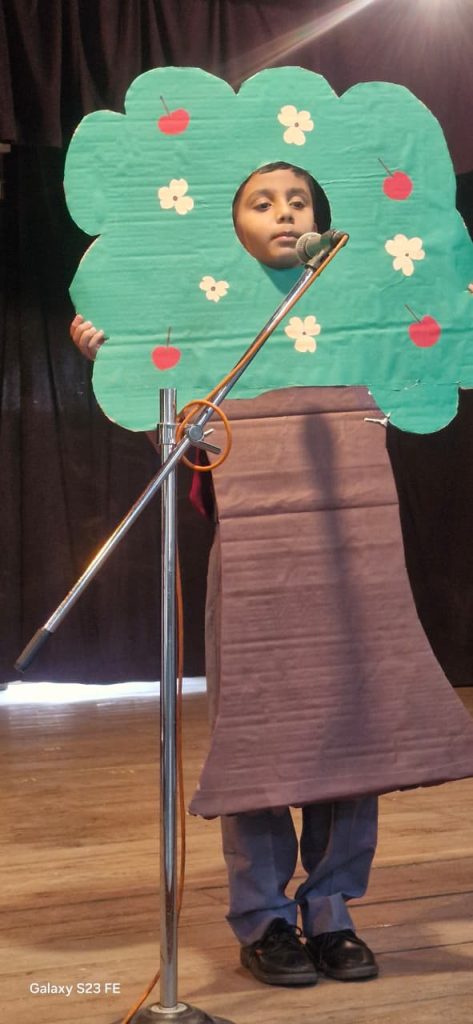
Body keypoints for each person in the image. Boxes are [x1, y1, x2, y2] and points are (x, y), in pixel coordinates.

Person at [70, 162, 379, 988]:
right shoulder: (210, 323)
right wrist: (119, 360)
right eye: (261, 202)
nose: (284, 213)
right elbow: (182, 444)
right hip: (252, 552)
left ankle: (332, 908)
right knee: (258, 732)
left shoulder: (354, 314)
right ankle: (265, 916)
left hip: (351, 547)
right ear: (231, 223)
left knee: (350, 729)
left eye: (298, 201)